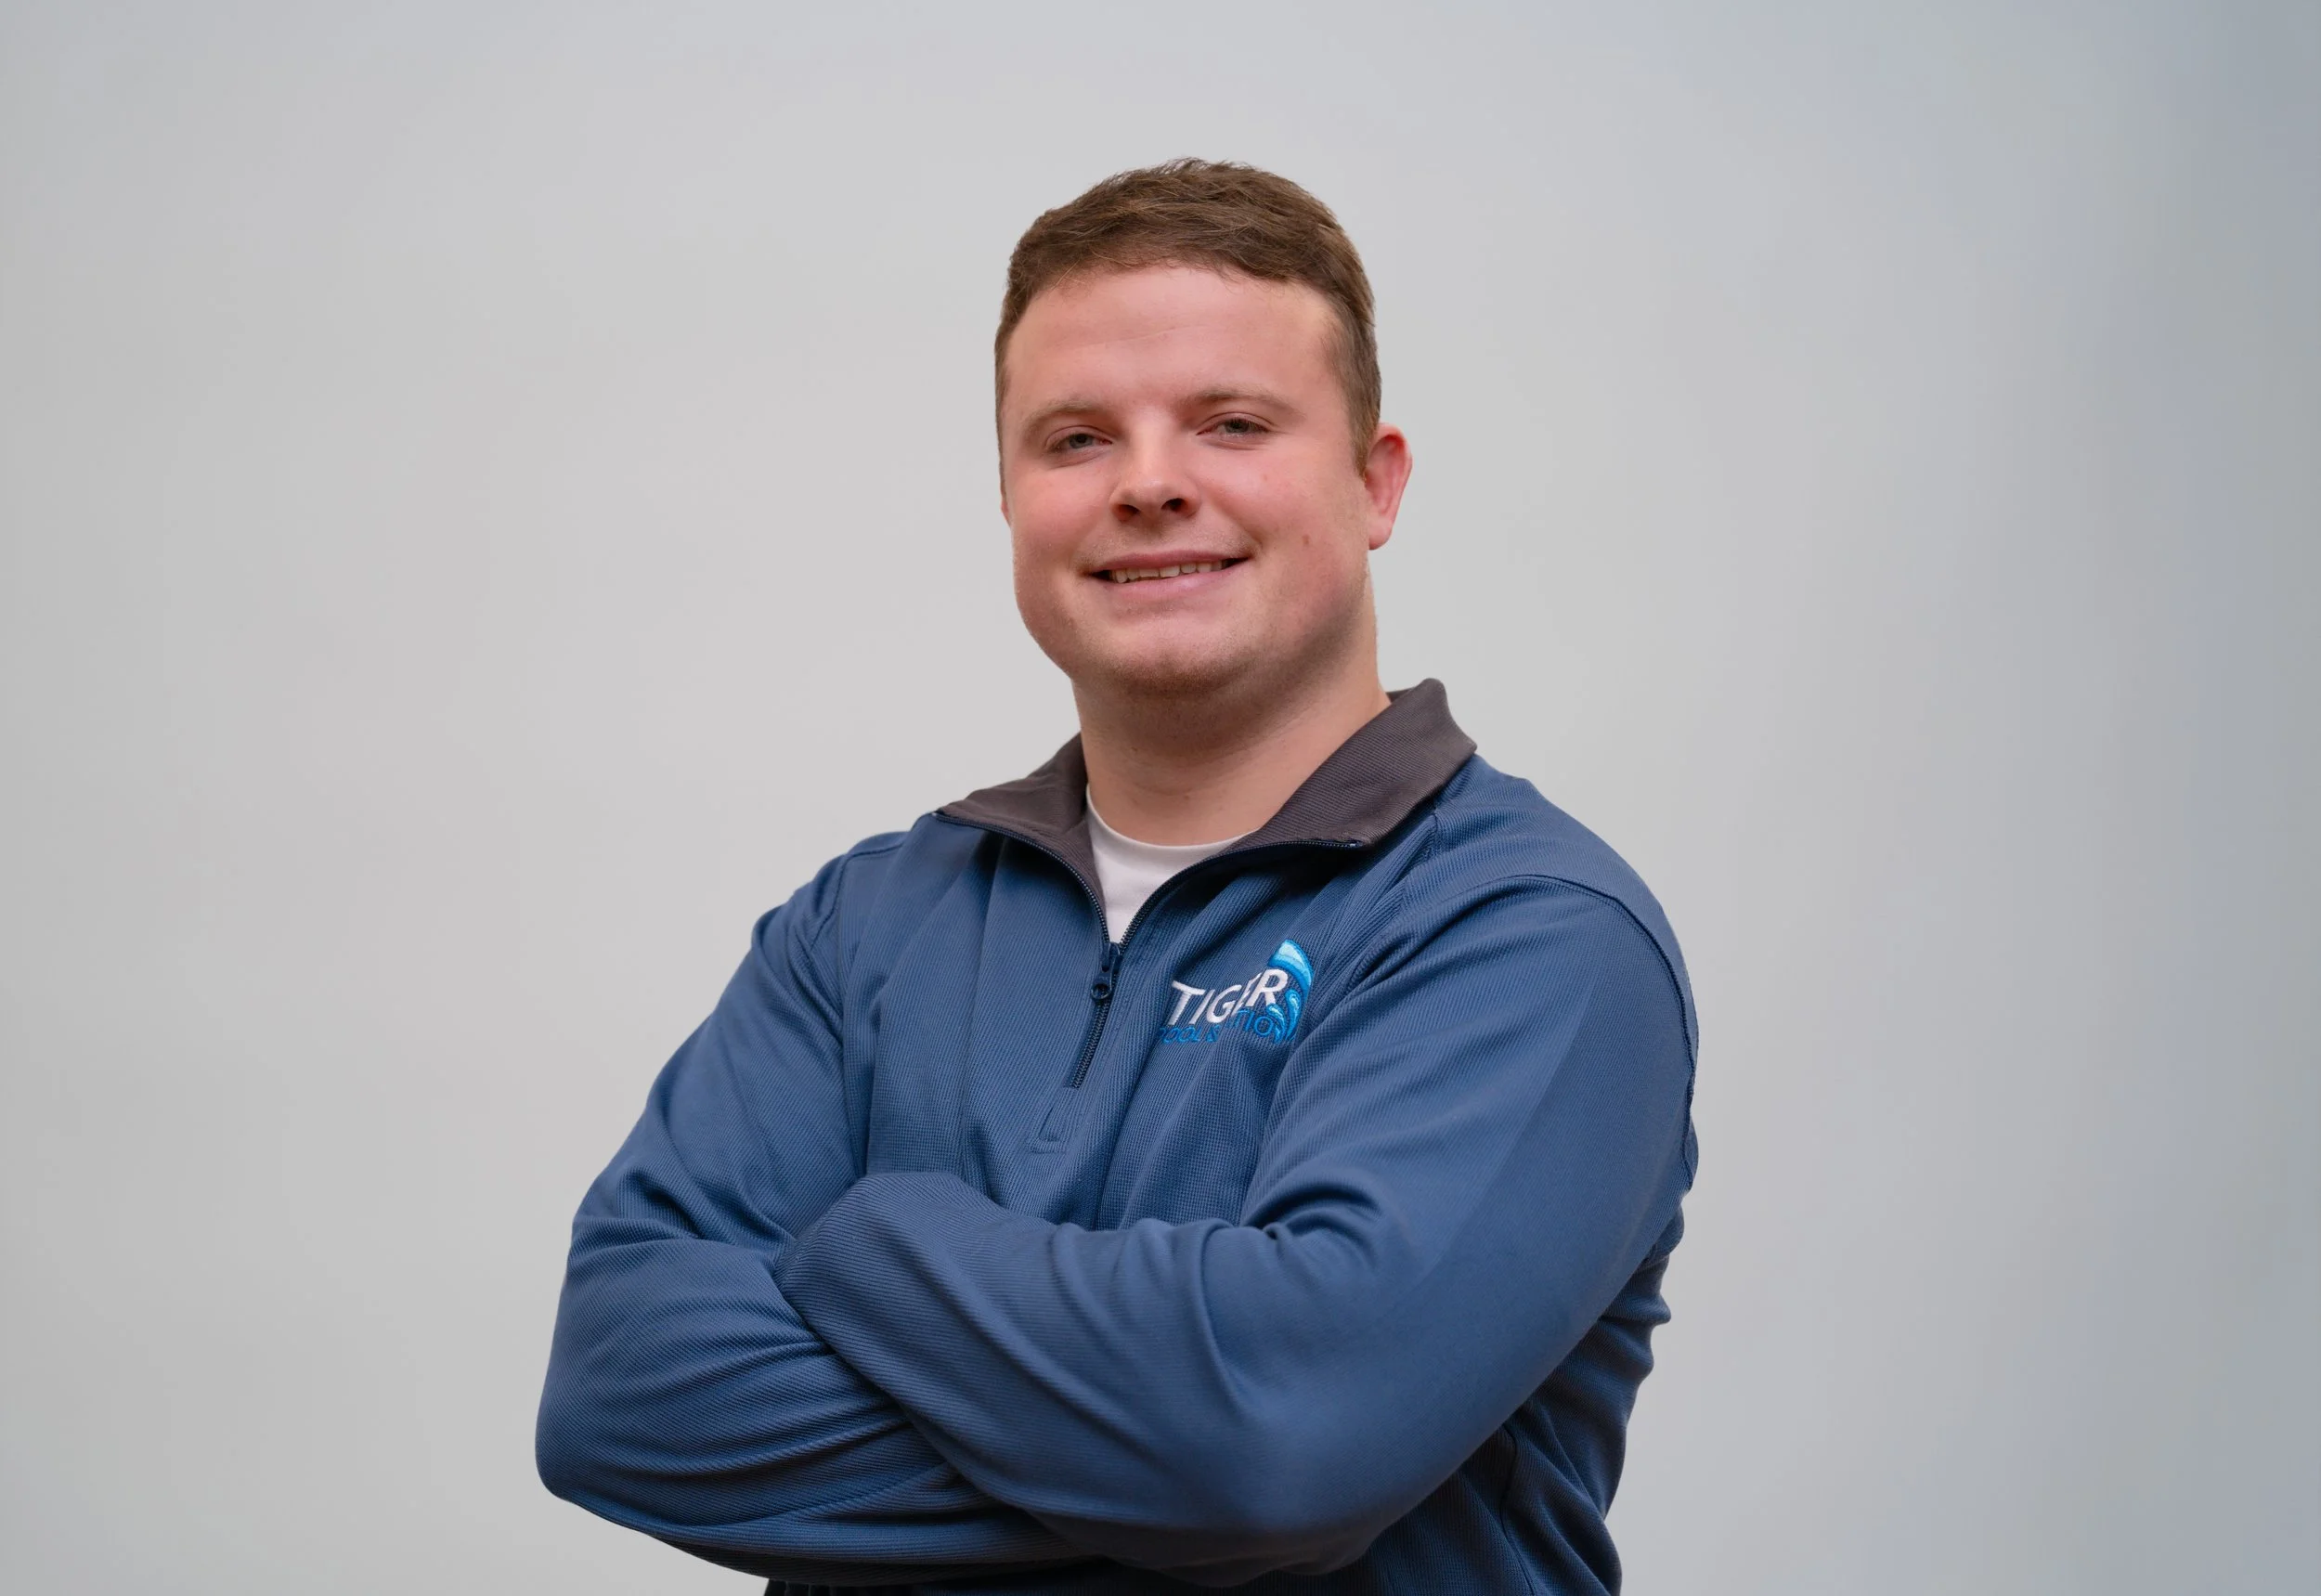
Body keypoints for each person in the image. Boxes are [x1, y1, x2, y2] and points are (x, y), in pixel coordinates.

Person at [536, 159, 1698, 1595]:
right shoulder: (864, 929)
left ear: (1376, 481)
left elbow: (1280, 1436)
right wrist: (1170, 1484)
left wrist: (873, 1237)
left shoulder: (1528, 934)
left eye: (1232, 423)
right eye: (1078, 438)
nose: (1149, 483)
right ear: (1009, 496)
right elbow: (617, 1390)